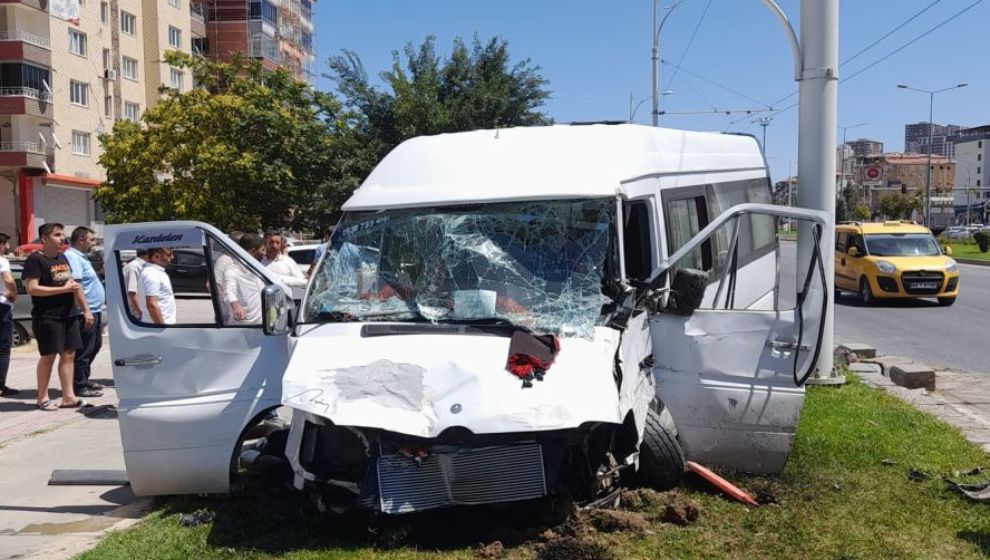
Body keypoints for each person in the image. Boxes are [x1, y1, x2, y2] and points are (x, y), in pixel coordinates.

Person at [22, 223, 94, 410]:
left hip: (68, 314)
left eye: (63, 234)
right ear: (45, 239)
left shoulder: (62, 257)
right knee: (49, 356)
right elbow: (32, 288)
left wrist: (85, 309)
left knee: (69, 354)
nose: (62, 238)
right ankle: (42, 397)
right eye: (57, 235)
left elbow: (73, 286)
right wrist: (62, 289)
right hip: (47, 316)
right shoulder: (35, 260)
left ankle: (68, 396)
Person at [64, 227, 106, 398]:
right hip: (85, 312)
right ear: (80, 240)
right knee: (84, 350)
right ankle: (79, 386)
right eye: (91, 240)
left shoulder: (81, 257)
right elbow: (77, 285)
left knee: (95, 345)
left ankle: (83, 378)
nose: (93, 243)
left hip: (94, 309)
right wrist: (86, 310)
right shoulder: (73, 257)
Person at [224, 233, 266, 325]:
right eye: (262, 250)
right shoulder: (232, 270)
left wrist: (305, 282)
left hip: (261, 326)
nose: (264, 253)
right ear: (252, 251)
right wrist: (236, 306)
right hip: (242, 327)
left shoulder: (260, 269)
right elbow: (229, 292)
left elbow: (279, 279)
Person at [0, 232, 18, 397]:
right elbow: (8, 279)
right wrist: (13, 292)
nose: (7, 247)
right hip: (1, 307)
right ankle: (0, 386)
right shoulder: (2, 260)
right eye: (5, 244)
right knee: (3, 349)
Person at [140, 248, 177, 325]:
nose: (172, 257)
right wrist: (162, 328)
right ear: (156, 256)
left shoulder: (156, 272)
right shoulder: (152, 274)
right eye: (169, 255)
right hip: (157, 327)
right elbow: (151, 305)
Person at [122, 249, 147, 319]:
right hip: (135, 314)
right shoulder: (134, 267)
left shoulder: (141, 265)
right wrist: (140, 312)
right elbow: (132, 293)